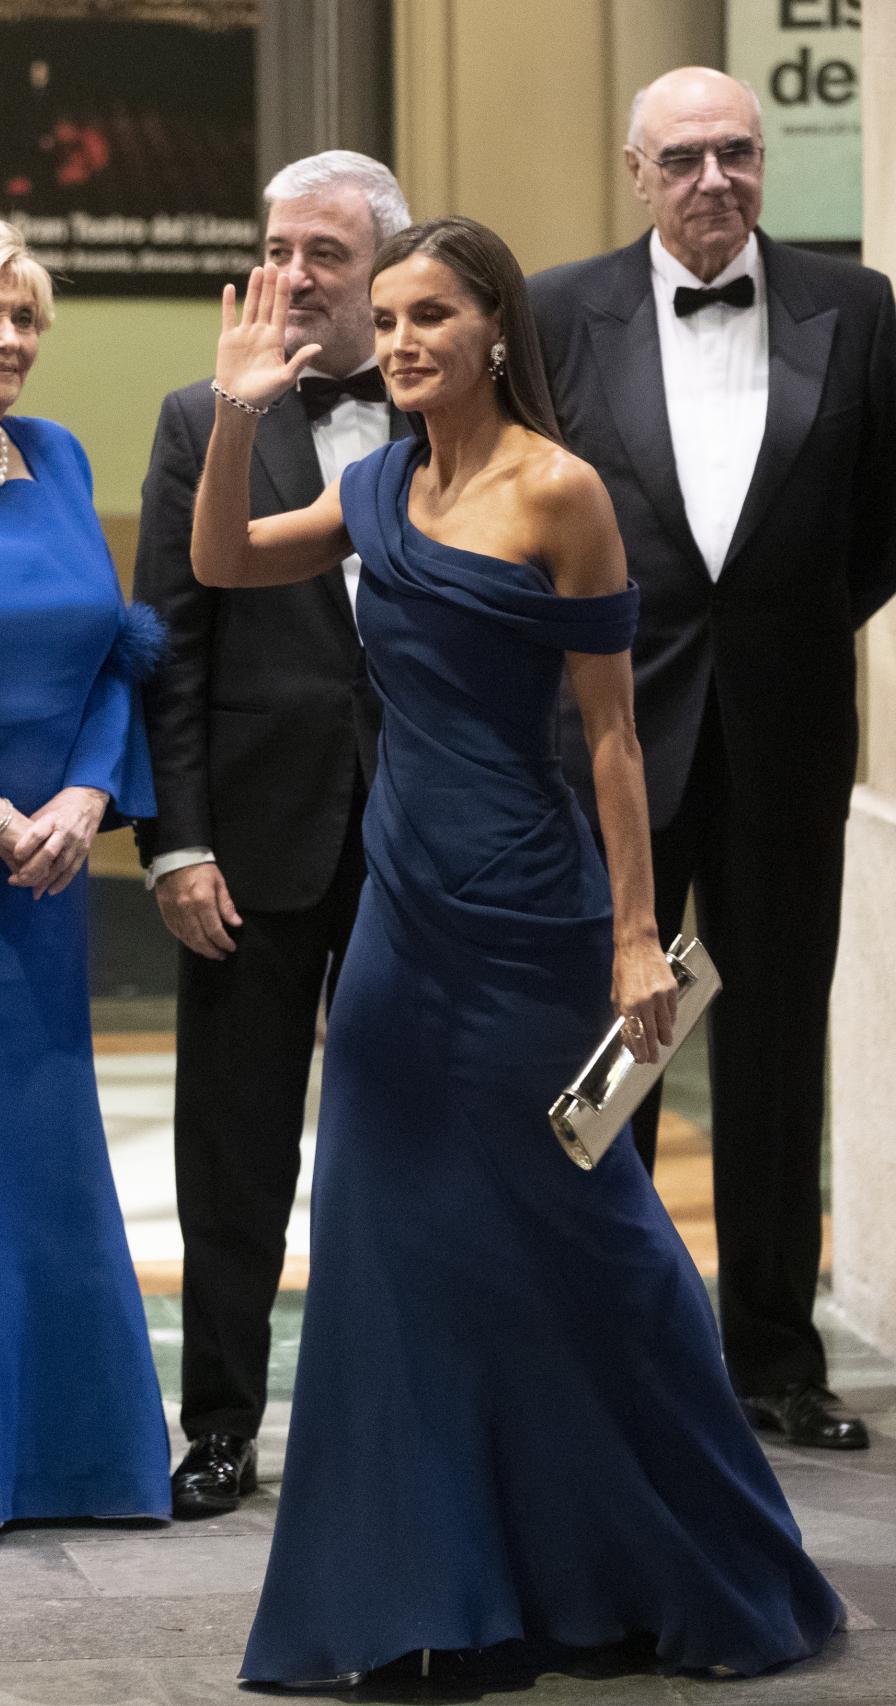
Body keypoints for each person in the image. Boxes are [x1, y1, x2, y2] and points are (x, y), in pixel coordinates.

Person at [190, 220, 842, 1684]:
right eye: (388, 320)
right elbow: (222, 557)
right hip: (400, 917)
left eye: (431, 316)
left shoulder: (562, 491)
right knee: (390, 1244)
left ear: (495, 330)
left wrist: (636, 938)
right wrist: (238, 410)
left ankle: (704, 1559)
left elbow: (614, 737)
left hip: (537, 920)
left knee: (594, 1241)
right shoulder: (376, 486)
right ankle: (422, 1592)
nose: (403, 342)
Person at [529, 66, 896, 1453]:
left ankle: (775, 1361)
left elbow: (879, 527)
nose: (713, 181)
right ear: (636, 172)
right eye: (682, 158)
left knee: (778, 1053)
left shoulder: (856, 308)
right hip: (613, 739)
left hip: (786, 739)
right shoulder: (559, 312)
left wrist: (784, 632)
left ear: (763, 162)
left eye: (736, 152)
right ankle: (604, 1346)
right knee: (612, 1046)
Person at [133, 151, 412, 1517]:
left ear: (385, 271)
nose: (293, 276)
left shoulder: (447, 407)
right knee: (233, 1149)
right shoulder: (201, 417)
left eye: (325, 254)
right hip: (252, 835)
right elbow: (169, 650)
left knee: (409, 1135)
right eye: (278, 249)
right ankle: (222, 1425)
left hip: (426, 831)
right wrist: (176, 842)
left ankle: (400, 1417)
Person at [0, 213, 170, 1540]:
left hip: (50, 873)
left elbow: (117, 648)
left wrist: (85, 797)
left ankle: (74, 1461)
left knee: (42, 1149)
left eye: (27, 317)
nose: (13, 339)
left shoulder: (62, 456)